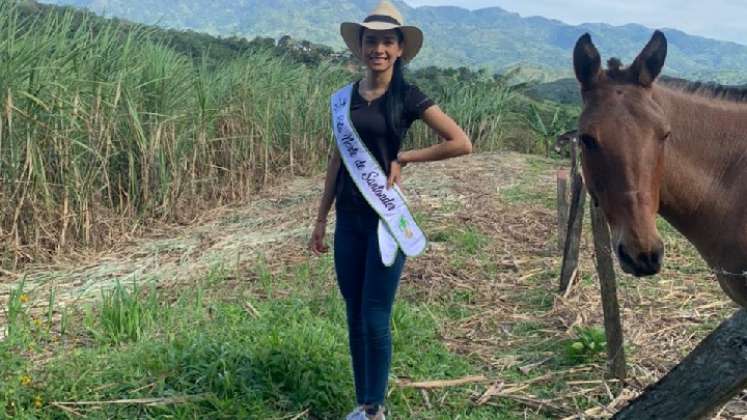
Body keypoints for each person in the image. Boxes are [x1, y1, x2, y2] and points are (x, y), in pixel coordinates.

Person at [308, 1, 472, 418]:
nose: (377, 48)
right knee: (353, 311)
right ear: (359, 46)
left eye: (386, 41)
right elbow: (336, 160)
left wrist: (406, 158)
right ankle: (363, 402)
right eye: (370, 40)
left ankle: (375, 408)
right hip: (348, 220)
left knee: (375, 315)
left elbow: (460, 141)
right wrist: (320, 219)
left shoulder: (408, 96)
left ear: (400, 49)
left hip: (385, 220)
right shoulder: (344, 100)